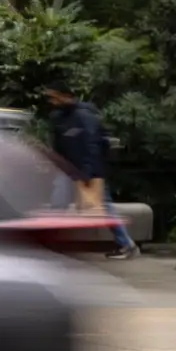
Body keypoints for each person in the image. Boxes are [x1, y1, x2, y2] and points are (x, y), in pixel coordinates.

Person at [42, 81, 134, 255]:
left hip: (88, 171)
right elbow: (59, 146)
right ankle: (47, 245)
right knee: (58, 205)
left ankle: (126, 245)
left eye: (55, 97)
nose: (52, 101)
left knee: (104, 207)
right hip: (68, 170)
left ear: (66, 96)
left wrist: (88, 174)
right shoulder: (59, 117)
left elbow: (92, 146)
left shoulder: (84, 116)